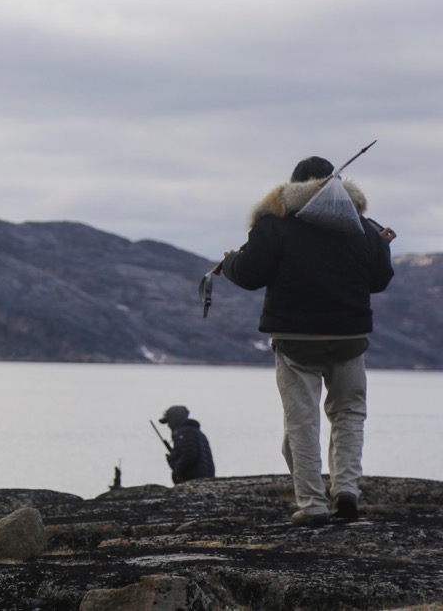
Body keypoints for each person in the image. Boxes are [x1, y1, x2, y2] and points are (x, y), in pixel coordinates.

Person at [219, 155, 395, 526]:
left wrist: (231, 261)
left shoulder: (276, 222)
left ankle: (313, 504)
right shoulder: (362, 226)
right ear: (338, 183)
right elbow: (379, 280)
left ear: (292, 185)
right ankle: (346, 491)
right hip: (350, 337)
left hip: (295, 339)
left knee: (302, 422)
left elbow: (250, 274)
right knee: (349, 415)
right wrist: (382, 245)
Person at [159, 405, 215, 483]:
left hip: (196, 480)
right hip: (205, 479)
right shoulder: (195, 432)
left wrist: (178, 471)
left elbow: (189, 455)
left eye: (169, 421)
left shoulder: (185, 432)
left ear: (174, 419)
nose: (168, 425)